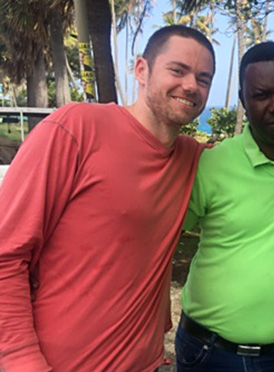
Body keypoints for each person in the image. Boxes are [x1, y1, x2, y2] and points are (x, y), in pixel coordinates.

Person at [0, 26, 215, 372]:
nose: (191, 85)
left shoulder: (193, 159)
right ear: (142, 70)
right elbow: (6, 253)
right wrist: (21, 360)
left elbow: (252, 156)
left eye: (204, 78)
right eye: (177, 70)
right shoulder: (77, 129)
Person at [175, 41, 274, 372]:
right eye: (262, 95)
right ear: (243, 101)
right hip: (209, 352)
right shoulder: (211, 164)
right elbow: (160, 239)